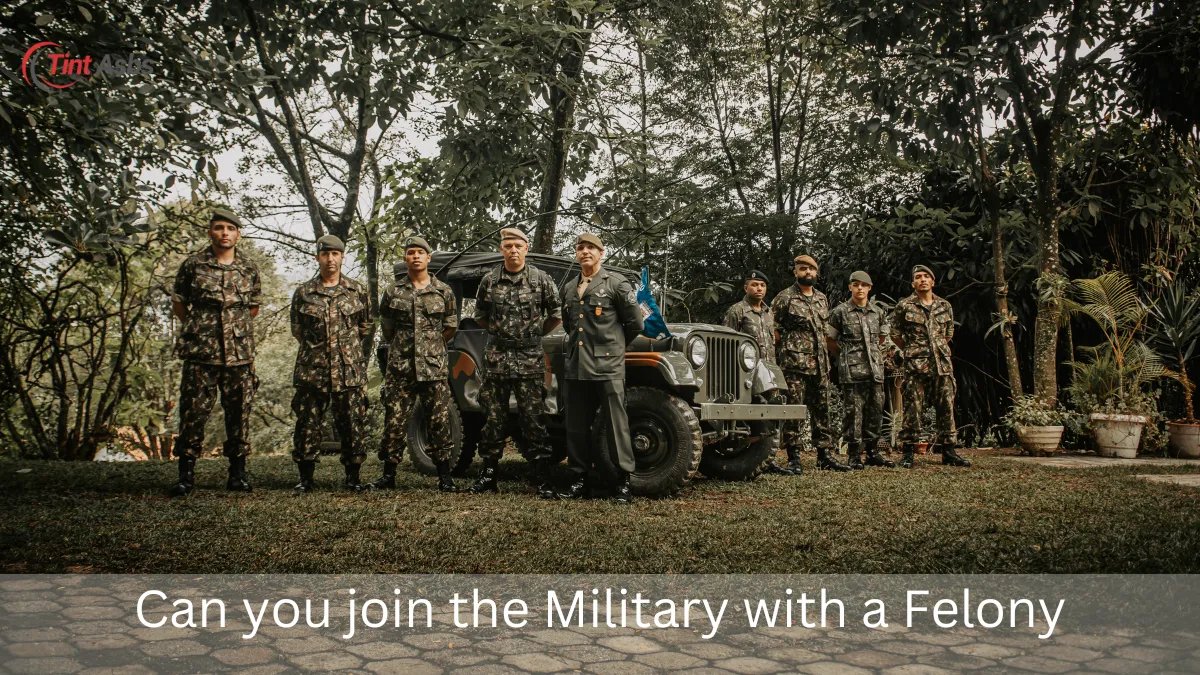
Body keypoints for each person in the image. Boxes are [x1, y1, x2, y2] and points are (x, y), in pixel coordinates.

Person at [168, 208, 262, 496]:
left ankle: (237, 475)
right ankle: (186, 475)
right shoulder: (193, 265)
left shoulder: (248, 267)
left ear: (238, 234)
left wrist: (234, 330)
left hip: (239, 354)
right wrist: (201, 328)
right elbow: (180, 302)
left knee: (239, 412)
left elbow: (253, 306)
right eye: (219, 228)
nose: (224, 233)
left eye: (230, 229)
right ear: (210, 232)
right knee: (194, 412)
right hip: (201, 353)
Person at [467, 228, 563, 496]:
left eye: (517, 245)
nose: (513, 250)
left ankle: (542, 477)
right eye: (508, 245)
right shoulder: (489, 280)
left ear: (526, 247)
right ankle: (488, 476)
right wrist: (502, 336)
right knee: (493, 418)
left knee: (533, 418)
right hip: (497, 358)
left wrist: (531, 336)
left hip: (530, 358)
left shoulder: (541, 280)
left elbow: (555, 315)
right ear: (501, 249)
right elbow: (480, 316)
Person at [551, 233, 644, 502]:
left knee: (617, 424)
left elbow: (635, 324)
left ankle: (623, 482)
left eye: (591, 248)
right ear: (576, 254)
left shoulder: (616, 283)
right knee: (576, 425)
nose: (585, 252)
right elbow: (570, 326)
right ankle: (579, 480)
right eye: (580, 248)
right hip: (577, 364)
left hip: (608, 365)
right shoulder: (569, 287)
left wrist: (613, 348)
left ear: (601, 253)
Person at [372, 236, 461, 492]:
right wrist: (406, 347)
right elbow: (387, 329)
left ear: (428, 258)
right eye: (411, 252)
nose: (416, 256)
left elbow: (450, 327)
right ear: (406, 258)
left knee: (439, 419)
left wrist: (429, 348)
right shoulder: (393, 291)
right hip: (401, 367)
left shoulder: (443, 291)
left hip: (433, 368)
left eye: (420, 252)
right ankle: (388, 475)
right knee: (395, 419)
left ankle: (445, 477)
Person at [288, 235, 373, 493]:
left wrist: (344, 350)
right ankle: (305, 478)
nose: (330, 259)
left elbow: (365, 327)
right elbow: (297, 330)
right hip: (313, 371)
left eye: (335, 254)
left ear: (342, 257)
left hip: (348, 371)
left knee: (352, 423)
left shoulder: (357, 291)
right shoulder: (304, 292)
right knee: (307, 425)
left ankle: (353, 477)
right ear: (318, 257)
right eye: (325, 254)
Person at [770, 254, 850, 473]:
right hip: (795, 363)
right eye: (803, 269)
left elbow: (824, 330)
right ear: (795, 272)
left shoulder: (822, 298)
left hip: (820, 363)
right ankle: (793, 457)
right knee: (794, 410)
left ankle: (824, 455)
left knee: (822, 409)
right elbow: (772, 328)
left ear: (816, 273)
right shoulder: (784, 297)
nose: (808, 272)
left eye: (811, 269)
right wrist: (787, 348)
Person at [890, 264, 971, 469]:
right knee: (912, 409)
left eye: (926, 276)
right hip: (915, 366)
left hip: (941, 365)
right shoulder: (905, 306)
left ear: (933, 282)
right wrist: (912, 351)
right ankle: (908, 452)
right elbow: (895, 334)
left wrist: (937, 349)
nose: (922, 280)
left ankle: (949, 451)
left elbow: (948, 332)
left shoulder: (945, 306)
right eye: (918, 277)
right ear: (913, 283)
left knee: (946, 407)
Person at [723, 269, 789, 474]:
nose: (758, 288)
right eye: (754, 285)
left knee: (773, 414)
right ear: (746, 287)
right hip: (746, 374)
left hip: (769, 372)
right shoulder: (737, 311)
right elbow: (727, 342)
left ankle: (770, 460)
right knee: (753, 415)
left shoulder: (769, 312)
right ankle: (752, 457)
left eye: (762, 285)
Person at [827, 271, 895, 470]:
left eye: (863, 285)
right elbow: (830, 340)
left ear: (869, 288)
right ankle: (854, 454)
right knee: (853, 413)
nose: (859, 288)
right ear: (850, 287)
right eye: (855, 285)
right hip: (851, 370)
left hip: (874, 368)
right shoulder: (840, 312)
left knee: (875, 410)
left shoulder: (878, 312)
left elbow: (882, 338)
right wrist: (845, 355)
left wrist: (873, 354)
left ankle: (873, 452)